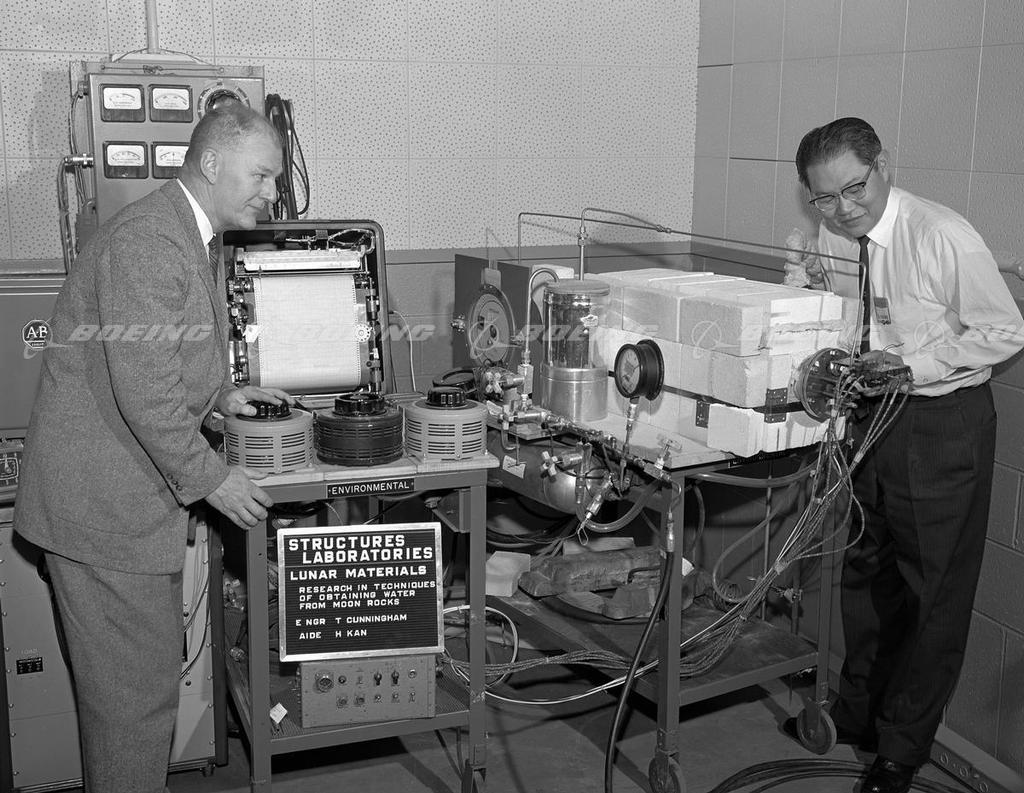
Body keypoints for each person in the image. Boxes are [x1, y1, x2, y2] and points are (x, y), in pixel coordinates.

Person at [13, 103, 291, 793]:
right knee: (133, 710)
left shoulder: (184, 234)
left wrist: (221, 395)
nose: (271, 192)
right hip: (104, 517)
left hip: (115, 508)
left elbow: (163, 353)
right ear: (212, 163)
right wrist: (214, 478)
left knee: (133, 698)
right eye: (261, 175)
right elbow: (147, 396)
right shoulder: (149, 241)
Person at [785, 117, 1024, 793]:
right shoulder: (835, 234)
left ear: (883, 164)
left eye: (854, 189)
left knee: (932, 591)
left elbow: (1005, 329)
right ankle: (859, 710)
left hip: (939, 422)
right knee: (866, 570)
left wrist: (912, 367)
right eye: (824, 197)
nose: (842, 209)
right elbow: (847, 314)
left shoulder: (940, 234)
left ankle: (901, 750)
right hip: (871, 417)